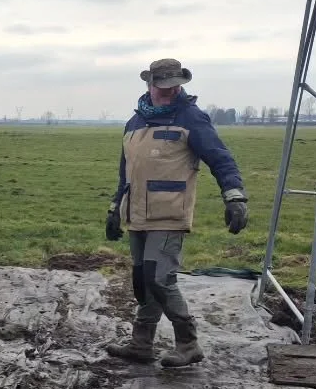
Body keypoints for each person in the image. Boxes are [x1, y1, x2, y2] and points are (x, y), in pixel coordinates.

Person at [105, 58, 248, 367]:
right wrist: (115, 207)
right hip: (137, 214)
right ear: (149, 84)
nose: (170, 91)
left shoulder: (191, 117)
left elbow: (220, 157)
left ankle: (188, 343)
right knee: (143, 279)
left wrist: (234, 195)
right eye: (163, 85)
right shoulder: (135, 123)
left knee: (159, 277)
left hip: (170, 213)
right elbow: (125, 173)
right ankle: (142, 343)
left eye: (175, 86)